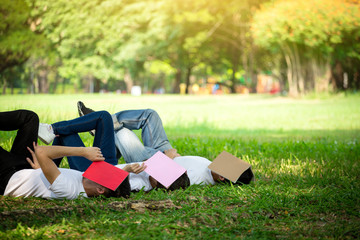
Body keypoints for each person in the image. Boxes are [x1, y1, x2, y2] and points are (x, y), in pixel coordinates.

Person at [76, 102, 231, 185]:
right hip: (167, 151)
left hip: (153, 160)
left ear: (222, 177)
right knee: (150, 115)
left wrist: (166, 156)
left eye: (227, 165)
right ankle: (110, 121)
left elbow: (169, 176)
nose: (223, 159)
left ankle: (102, 124)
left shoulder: (199, 178)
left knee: (123, 134)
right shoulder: (212, 167)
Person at [39, 110, 189, 192]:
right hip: (107, 162)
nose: (155, 171)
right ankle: (51, 129)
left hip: (94, 173)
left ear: (157, 185)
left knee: (68, 134)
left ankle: (44, 167)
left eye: (157, 177)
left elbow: (115, 189)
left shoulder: (141, 186)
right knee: (104, 117)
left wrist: (126, 170)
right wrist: (167, 158)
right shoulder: (159, 171)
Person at [0, 110, 127, 199]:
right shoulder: (84, 180)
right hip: (26, 169)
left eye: (102, 171)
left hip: (7, 178)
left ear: (100, 189)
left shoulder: (69, 190)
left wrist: (83, 151)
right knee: (30, 118)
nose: (99, 166)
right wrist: (41, 169)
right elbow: (49, 176)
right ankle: (50, 130)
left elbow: (41, 151)